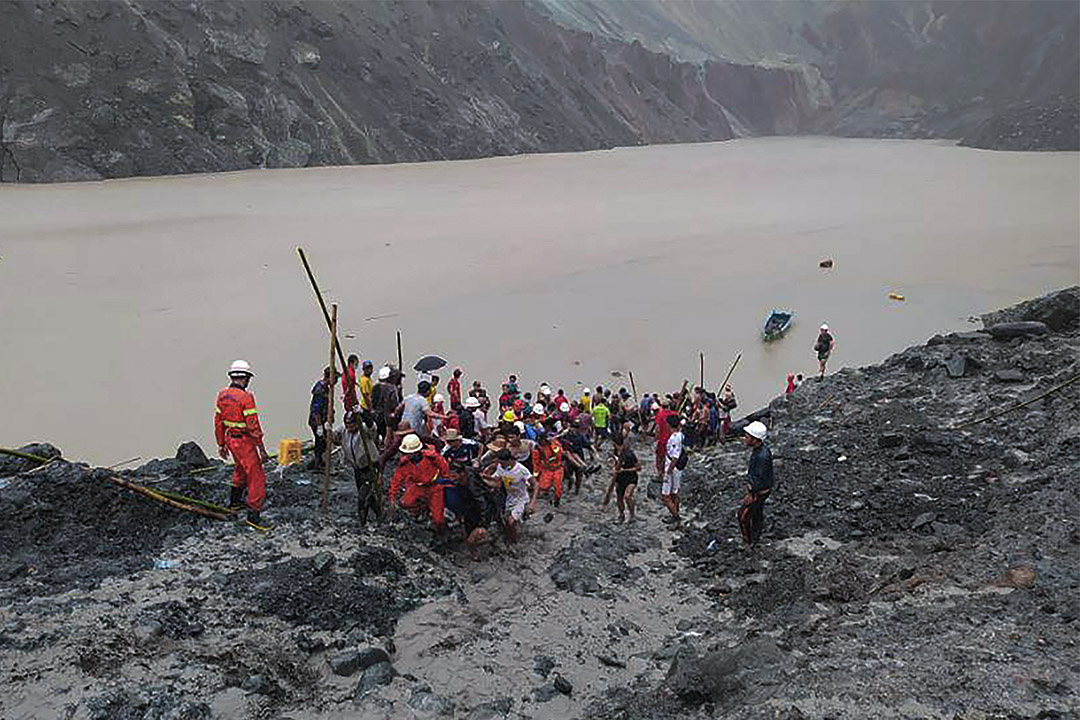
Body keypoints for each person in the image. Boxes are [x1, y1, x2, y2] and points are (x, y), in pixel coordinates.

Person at [214, 360, 270, 530]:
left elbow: (218, 423)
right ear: (246, 378)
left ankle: (235, 502)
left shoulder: (222, 395)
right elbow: (253, 426)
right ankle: (253, 516)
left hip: (230, 439)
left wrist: (221, 444)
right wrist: (262, 450)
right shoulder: (246, 398)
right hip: (244, 441)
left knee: (240, 468)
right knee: (256, 477)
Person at [388, 433, 449, 532]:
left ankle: (441, 530)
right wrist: (392, 498)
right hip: (418, 487)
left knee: (438, 520)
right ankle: (423, 508)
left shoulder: (431, 457)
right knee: (405, 503)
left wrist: (444, 479)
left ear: (416, 452)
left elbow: (444, 466)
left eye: (409, 453)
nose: (407, 455)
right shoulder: (405, 464)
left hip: (435, 487)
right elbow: (396, 481)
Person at [330, 409, 381, 524]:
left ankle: (362, 523)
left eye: (352, 424)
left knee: (362, 498)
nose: (349, 428)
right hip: (357, 469)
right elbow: (335, 439)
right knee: (367, 494)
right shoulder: (343, 429)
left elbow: (372, 427)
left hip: (370, 467)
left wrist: (364, 414)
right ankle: (379, 513)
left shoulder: (364, 430)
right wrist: (326, 430)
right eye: (347, 425)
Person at [482, 448, 538, 543]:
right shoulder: (500, 467)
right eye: (500, 463)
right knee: (504, 521)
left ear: (509, 460)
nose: (501, 465)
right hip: (508, 499)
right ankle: (509, 536)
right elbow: (496, 481)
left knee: (511, 522)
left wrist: (532, 503)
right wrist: (484, 475)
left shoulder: (521, 469)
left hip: (521, 499)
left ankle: (514, 543)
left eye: (503, 463)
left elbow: (536, 485)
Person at [738, 421, 774, 547]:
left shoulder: (762, 456)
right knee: (757, 513)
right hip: (761, 490)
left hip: (759, 492)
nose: (745, 438)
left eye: (747, 436)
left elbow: (759, 479)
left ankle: (748, 542)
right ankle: (756, 536)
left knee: (743, 517)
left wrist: (751, 493)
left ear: (755, 439)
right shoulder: (760, 451)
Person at [607, 436, 640, 523]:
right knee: (619, 498)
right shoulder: (614, 453)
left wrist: (625, 470)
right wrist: (613, 469)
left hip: (631, 478)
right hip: (620, 479)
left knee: (627, 496)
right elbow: (613, 465)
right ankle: (621, 515)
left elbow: (638, 468)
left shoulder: (629, 454)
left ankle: (632, 515)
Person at [308, 366, 334, 472]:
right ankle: (317, 464)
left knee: (324, 442)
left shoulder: (326, 388)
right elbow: (316, 410)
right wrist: (319, 426)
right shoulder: (320, 391)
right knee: (320, 442)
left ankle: (319, 461)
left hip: (323, 420)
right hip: (316, 421)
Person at [661, 415, 685, 526]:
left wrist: (668, 471)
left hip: (672, 466)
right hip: (676, 467)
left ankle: (676, 517)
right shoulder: (680, 435)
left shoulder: (675, 438)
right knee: (675, 492)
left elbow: (675, 457)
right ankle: (675, 512)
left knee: (665, 496)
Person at [531, 431, 564, 506]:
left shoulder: (554, 444)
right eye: (539, 441)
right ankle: (547, 496)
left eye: (542, 440)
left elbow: (559, 453)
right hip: (546, 469)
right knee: (543, 487)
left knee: (557, 487)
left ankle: (557, 500)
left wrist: (552, 446)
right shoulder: (536, 450)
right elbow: (536, 463)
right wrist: (536, 475)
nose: (541, 443)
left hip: (557, 468)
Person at [371, 366, 400, 444]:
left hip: (377, 416)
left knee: (378, 435)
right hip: (387, 417)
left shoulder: (375, 387)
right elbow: (394, 404)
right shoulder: (391, 389)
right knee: (388, 437)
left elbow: (372, 403)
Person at [654, 402, 678, 481]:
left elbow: (657, 428)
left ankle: (659, 472)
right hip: (672, 439)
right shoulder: (675, 414)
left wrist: (656, 438)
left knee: (659, 456)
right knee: (668, 456)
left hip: (662, 440)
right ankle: (666, 471)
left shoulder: (660, 414)